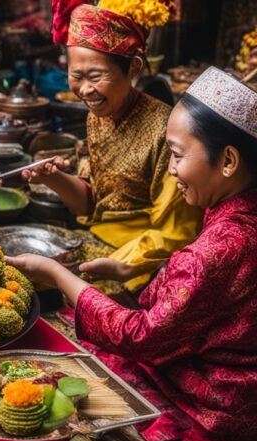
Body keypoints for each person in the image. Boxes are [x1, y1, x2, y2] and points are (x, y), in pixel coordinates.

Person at [6, 67, 257, 441]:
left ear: (228, 161)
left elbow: (140, 337)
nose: (171, 169)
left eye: (176, 155)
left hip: (210, 407)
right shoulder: (239, 211)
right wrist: (140, 268)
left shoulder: (219, 248)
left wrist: (57, 274)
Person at [25, 0, 202, 290]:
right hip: (95, 240)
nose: (84, 90)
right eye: (76, 76)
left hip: (143, 264)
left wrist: (123, 264)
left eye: (96, 76)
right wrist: (53, 178)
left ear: (133, 68)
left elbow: (177, 232)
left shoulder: (167, 131)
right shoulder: (98, 117)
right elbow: (91, 204)